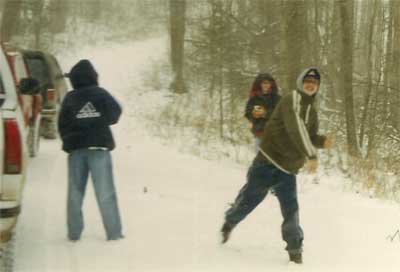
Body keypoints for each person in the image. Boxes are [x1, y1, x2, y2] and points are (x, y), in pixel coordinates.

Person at [221, 67, 334, 264]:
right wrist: (311, 155)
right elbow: (295, 128)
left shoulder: (312, 110)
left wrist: (320, 141)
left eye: (314, 83)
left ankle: (295, 251)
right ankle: (229, 222)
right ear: (300, 82)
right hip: (267, 161)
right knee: (249, 201)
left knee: (291, 210)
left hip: (287, 169)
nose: (310, 84)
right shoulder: (291, 99)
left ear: (317, 87)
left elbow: (309, 135)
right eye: (307, 81)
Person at [58, 59, 124, 241]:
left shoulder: (70, 97)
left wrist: (70, 141)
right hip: (99, 148)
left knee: (75, 194)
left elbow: (62, 123)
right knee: (105, 193)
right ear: (93, 76)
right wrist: (100, 119)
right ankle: (114, 234)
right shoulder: (100, 94)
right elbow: (115, 113)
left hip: (76, 150)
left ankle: (73, 234)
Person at [244, 73, 281, 150]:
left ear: (271, 84)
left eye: (267, 83)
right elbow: (247, 113)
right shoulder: (254, 98)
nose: (265, 85)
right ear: (259, 84)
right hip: (259, 133)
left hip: (274, 134)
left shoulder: (277, 98)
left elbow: (280, 114)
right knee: (260, 157)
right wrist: (254, 115)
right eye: (263, 83)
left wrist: (265, 114)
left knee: (273, 158)